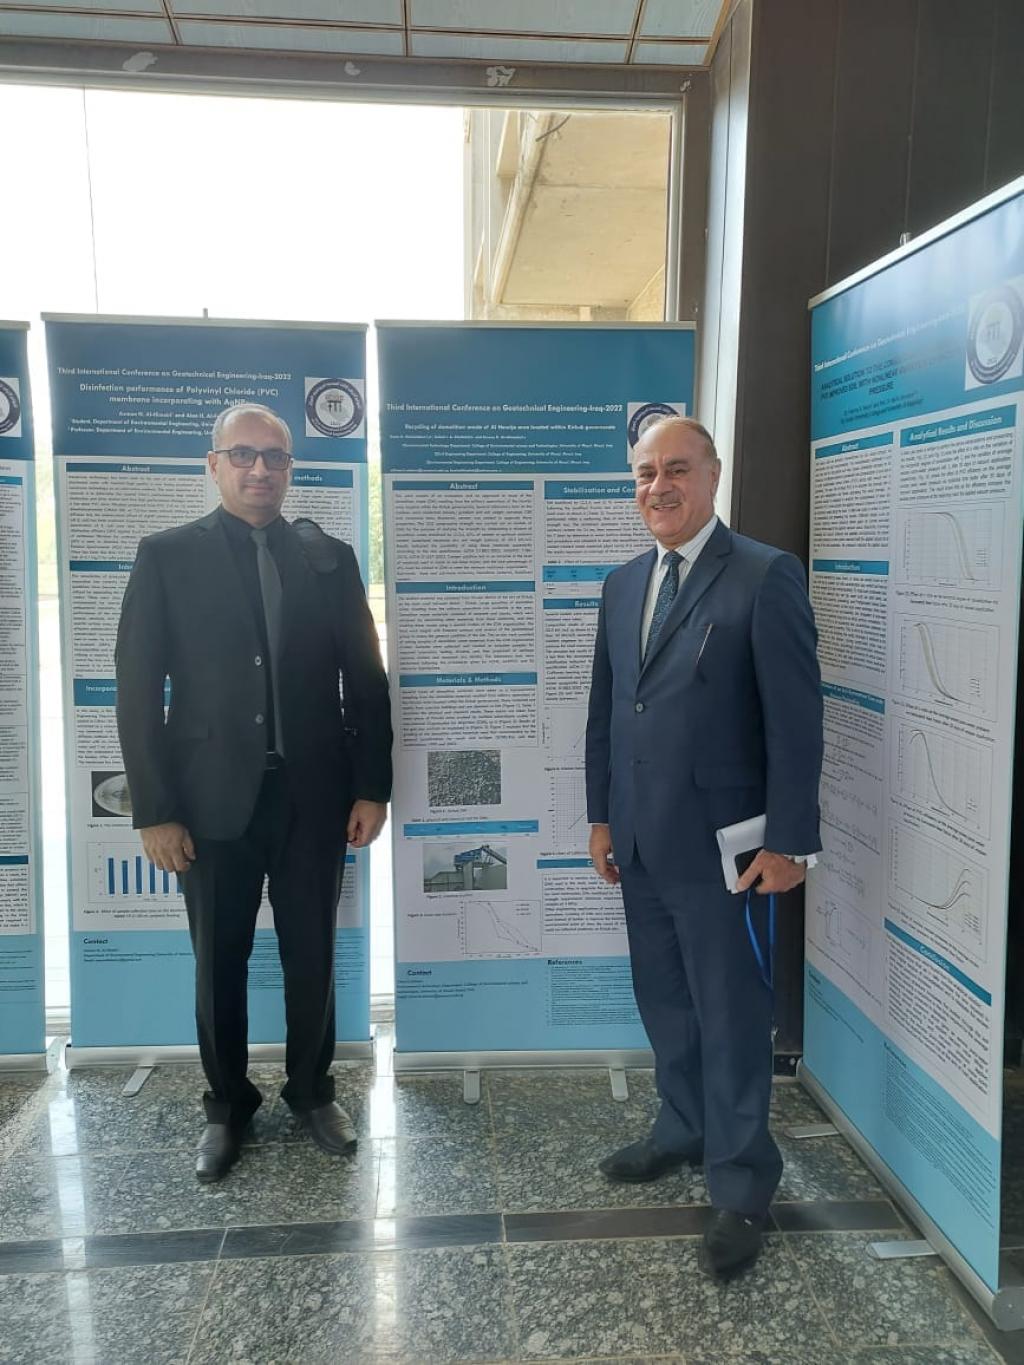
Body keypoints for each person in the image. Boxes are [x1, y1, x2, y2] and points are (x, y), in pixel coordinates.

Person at [115, 402, 392, 1182]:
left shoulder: (330, 559)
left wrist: (371, 786)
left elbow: (366, 679)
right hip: (208, 805)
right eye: (243, 455)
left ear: (290, 468)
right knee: (218, 961)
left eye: (275, 457)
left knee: (312, 954)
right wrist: (154, 809)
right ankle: (227, 1105)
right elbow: (137, 690)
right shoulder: (166, 556)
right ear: (214, 465)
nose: (260, 469)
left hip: (315, 798)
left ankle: (312, 1092)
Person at [585, 415, 823, 1276]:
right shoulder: (622, 584)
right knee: (666, 1002)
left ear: (713, 474)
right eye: (645, 473)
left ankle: (743, 1183)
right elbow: (609, 711)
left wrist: (791, 841)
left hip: (730, 853)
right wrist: (601, 817)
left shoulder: (764, 574)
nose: (659, 487)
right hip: (640, 842)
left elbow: (796, 722)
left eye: (677, 469)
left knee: (731, 1017)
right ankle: (683, 1126)